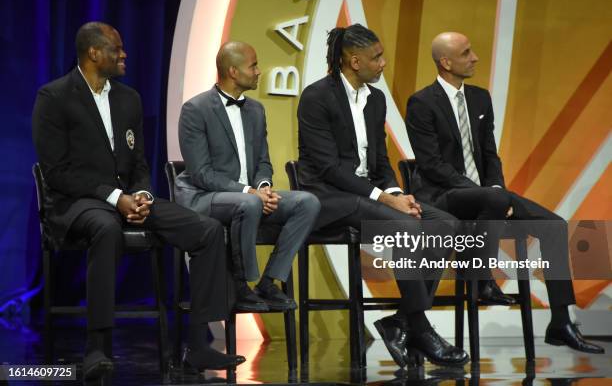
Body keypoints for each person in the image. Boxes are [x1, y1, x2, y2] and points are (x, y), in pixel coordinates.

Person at [32, 22, 246, 381]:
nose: (124, 54)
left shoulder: (128, 98)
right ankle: (97, 347)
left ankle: (198, 343)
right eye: (116, 48)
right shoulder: (54, 97)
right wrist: (116, 198)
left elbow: (139, 162)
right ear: (94, 53)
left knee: (207, 230)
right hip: (78, 203)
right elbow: (57, 172)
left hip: (128, 198)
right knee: (106, 228)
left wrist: (143, 195)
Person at [405, 31, 604, 354]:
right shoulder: (422, 103)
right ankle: (482, 278)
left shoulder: (481, 98)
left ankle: (560, 321)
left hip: (487, 197)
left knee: (554, 224)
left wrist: (496, 190)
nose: (475, 58)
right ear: (446, 62)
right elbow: (432, 166)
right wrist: (488, 195)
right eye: (467, 52)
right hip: (443, 196)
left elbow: (489, 154)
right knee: (495, 199)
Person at [296, 23, 469, 368]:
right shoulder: (317, 97)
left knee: (446, 224)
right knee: (407, 226)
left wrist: (395, 192)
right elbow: (330, 169)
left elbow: (379, 159)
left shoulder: (376, 99)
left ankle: (401, 321)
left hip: (370, 197)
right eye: (376, 58)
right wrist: (385, 199)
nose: (383, 63)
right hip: (330, 198)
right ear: (354, 61)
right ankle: (419, 326)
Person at [175, 41, 320, 312]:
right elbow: (201, 174)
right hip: (205, 198)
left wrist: (263, 186)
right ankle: (240, 285)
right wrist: (249, 192)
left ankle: (268, 281)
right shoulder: (195, 110)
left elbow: (263, 161)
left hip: (248, 197)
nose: (258, 71)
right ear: (232, 71)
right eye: (253, 65)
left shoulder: (256, 110)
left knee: (307, 202)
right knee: (250, 203)